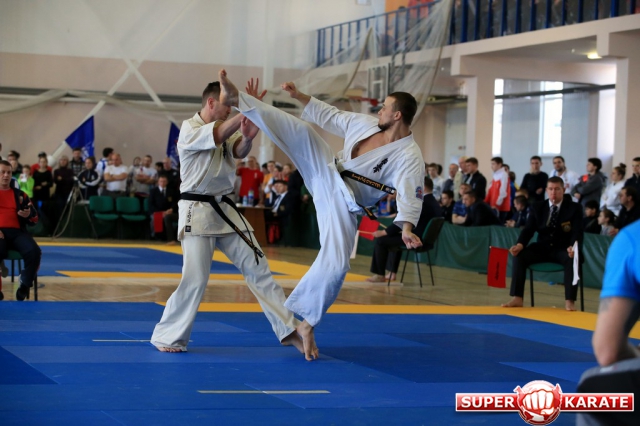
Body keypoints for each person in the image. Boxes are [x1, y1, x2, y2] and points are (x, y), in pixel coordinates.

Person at [220, 70, 424, 360]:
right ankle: (239, 99)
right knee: (303, 132)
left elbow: (409, 192)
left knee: (338, 262)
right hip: (326, 171)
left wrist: (406, 227)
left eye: (384, 107)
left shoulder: (409, 156)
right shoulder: (366, 124)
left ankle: (307, 323)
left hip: (344, 202)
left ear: (397, 115)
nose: (379, 110)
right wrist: (299, 96)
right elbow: (332, 116)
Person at [151, 79, 304, 359]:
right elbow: (219, 135)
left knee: (258, 267)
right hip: (197, 209)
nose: (230, 111)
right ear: (211, 102)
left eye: (233, 107)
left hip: (225, 207)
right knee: (196, 278)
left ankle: (289, 329)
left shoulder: (225, 125)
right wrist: (248, 109)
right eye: (227, 106)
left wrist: (248, 137)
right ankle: (167, 334)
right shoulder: (190, 128)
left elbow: (237, 150)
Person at [502, 177, 583, 311]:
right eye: (550, 189)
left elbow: (577, 232)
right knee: (519, 256)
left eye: (557, 189)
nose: (553, 192)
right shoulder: (538, 207)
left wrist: (573, 247)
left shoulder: (574, 208)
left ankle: (569, 301)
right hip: (542, 248)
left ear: (563, 190)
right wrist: (520, 245)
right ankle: (517, 298)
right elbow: (528, 230)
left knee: (573, 259)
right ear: (546, 190)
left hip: (563, 248)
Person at [367, 176, 441, 283]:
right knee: (394, 238)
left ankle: (379, 275)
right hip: (426, 240)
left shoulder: (421, 202)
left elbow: (404, 220)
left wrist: (383, 232)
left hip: (416, 240)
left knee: (381, 241)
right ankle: (392, 273)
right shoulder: (434, 202)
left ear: (423, 187)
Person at [0, 160, 41, 301]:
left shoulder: (20, 195)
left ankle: (24, 284)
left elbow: (35, 219)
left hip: (17, 233)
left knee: (34, 252)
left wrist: (28, 215)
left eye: (8, 172)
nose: (6, 175)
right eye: (2, 172)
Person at [148, 175, 179, 244]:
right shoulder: (153, 191)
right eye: (161, 181)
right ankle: (156, 236)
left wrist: (171, 209)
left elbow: (174, 202)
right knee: (154, 218)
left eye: (164, 181)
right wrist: (160, 212)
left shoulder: (171, 191)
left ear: (167, 182)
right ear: (158, 182)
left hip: (168, 212)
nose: (162, 183)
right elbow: (151, 204)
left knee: (168, 218)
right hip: (157, 211)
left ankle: (170, 237)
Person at [484, 156, 510, 222]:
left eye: (493, 164)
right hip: (493, 205)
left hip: (501, 207)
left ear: (499, 164)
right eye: (491, 164)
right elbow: (490, 191)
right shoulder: (495, 175)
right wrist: (485, 202)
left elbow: (503, 191)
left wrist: (497, 204)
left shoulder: (504, 175)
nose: (491, 166)